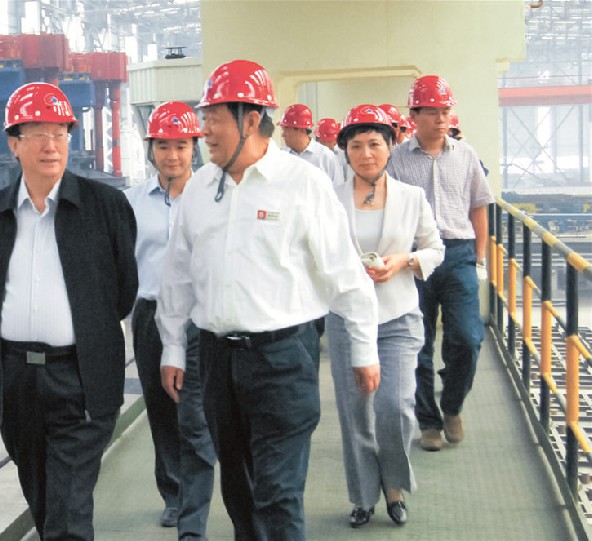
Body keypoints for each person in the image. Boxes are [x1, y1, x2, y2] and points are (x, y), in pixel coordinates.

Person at [156, 59, 380, 541]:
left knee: (277, 494)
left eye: (214, 118)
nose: (204, 130)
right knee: (239, 492)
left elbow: (343, 271)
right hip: (217, 360)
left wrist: (364, 348)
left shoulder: (302, 185)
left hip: (283, 360)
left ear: (250, 119)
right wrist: (173, 346)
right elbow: (178, 275)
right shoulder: (199, 189)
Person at [0, 82, 138, 540]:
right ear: (14, 143)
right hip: (16, 382)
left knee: (68, 516)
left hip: (80, 380)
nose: (51, 145)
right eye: (38, 133)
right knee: (44, 504)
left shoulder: (106, 208)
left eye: (60, 133)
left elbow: (123, 290)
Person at [329, 105, 444, 527]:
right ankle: (363, 497)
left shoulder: (411, 198)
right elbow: (314, 253)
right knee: (356, 412)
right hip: (346, 319)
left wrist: (403, 261)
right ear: (345, 151)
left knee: (395, 407)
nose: (366, 153)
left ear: (391, 145)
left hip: (398, 317)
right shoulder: (329, 199)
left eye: (375, 144)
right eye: (356, 145)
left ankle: (394, 487)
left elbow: (435, 248)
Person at [387, 75, 495, 452]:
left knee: (467, 337)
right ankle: (428, 422)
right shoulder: (396, 160)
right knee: (416, 343)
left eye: (445, 111)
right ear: (414, 115)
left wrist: (480, 259)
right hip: (414, 257)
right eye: (432, 111)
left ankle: (452, 406)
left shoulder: (466, 156)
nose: (441, 118)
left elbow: (478, 207)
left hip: (458, 254)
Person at [124, 101, 216, 539]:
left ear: (194, 147)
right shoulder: (131, 203)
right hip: (150, 316)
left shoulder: (213, 196)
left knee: (194, 414)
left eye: (181, 146)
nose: (172, 155)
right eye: (163, 146)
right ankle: (174, 493)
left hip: (199, 317)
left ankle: (194, 504)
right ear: (151, 150)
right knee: (161, 409)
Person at [278, 103, 342, 184]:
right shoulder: (281, 156)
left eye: (286, 130)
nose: (283, 135)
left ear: (301, 130)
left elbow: (338, 189)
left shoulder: (326, 157)